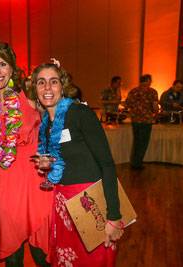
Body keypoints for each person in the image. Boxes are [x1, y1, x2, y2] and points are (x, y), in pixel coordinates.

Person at [31, 62, 123, 266]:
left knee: (94, 261)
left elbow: (107, 164)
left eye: (53, 82)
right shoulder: (45, 124)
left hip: (90, 203)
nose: (47, 88)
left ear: (62, 86)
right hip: (63, 206)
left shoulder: (80, 114)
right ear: (35, 89)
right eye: (41, 82)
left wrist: (114, 215)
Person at [0, 43, 51, 266]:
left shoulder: (30, 96)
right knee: (11, 253)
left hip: (36, 183)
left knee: (41, 253)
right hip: (4, 184)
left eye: (2, 64)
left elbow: (60, 117)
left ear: (12, 68)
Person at [125, 74, 159, 169]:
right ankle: (137, 163)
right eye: (150, 80)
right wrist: (156, 112)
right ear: (147, 80)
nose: (151, 82)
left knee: (136, 141)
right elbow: (155, 106)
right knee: (143, 142)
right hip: (146, 120)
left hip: (135, 120)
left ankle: (134, 162)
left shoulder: (133, 91)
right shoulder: (152, 92)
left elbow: (127, 104)